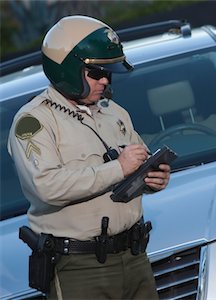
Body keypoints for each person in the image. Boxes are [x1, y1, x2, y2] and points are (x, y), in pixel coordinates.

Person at [8, 15, 170, 299]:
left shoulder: (115, 113)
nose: (105, 80)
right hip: (80, 267)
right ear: (67, 69)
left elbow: (136, 165)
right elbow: (47, 186)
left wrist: (153, 178)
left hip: (135, 257)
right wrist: (118, 169)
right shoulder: (33, 122)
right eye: (96, 73)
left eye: (108, 73)